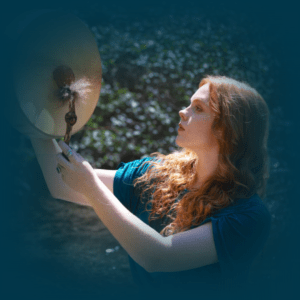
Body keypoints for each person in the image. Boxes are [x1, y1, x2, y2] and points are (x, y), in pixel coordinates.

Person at [30, 75, 271, 297]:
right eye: (189, 104)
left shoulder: (249, 217)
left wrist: (91, 187)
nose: (182, 112)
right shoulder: (156, 173)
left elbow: (159, 257)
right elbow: (61, 184)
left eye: (198, 109)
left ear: (227, 130)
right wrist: (33, 117)